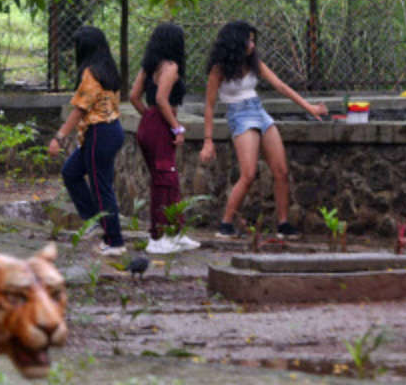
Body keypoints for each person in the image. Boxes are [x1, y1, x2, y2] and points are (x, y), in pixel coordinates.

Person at [199, 20, 327, 239]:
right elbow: (209, 106)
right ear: (236, 42)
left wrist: (310, 107)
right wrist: (208, 141)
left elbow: (281, 86)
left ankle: (283, 224)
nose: (252, 44)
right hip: (239, 115)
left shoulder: (254, 63)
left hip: (259, 111)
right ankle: (225, 224)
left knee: (281, 171)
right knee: (248, 174)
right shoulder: (219, 69)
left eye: (253, 40)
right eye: (248, 40)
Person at [48, 26, 126, 256]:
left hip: (100, 133)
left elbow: (79, 110)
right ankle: (94, 220)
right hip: (111, 131)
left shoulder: (91, 73)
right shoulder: (108, 69)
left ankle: (115, 241)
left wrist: (59, 137)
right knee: (71, 172)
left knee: (101, 188)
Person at [130, 23, 200, 254]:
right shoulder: (171, 67)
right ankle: (158, 238)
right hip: (160, 125)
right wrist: (175, 127)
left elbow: (133, 97)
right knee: (165, 180)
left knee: (168, 179)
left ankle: (176, 233)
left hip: (149, 123)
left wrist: (149, 118)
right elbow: (161, 99)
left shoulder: (149, 67)